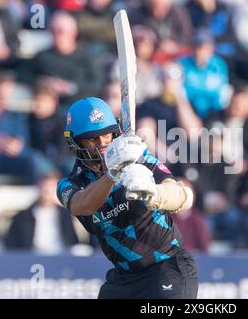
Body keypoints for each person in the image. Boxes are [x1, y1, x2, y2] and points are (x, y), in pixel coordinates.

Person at [56, 97, 198, 299]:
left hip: (167, 266)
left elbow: (184, 196)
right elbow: (83, 205)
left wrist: (153, 193)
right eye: (92, 139)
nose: (103, 144)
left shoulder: (139, 158)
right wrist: (113, 174)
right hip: (123, 280)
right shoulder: (69, 184)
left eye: (107, 135)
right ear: (74, 142)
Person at [5, 171, 79, 254]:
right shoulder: (22, 217)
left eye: (51, 186)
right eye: (44, 185)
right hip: (32, 261)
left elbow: (72, 242)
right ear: (38, 187)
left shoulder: (66, 215)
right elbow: (11, 246)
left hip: (61, 258)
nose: (47, 190)